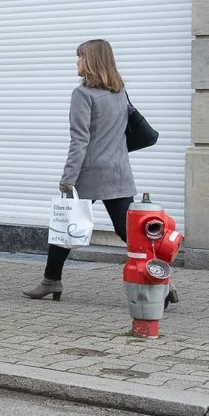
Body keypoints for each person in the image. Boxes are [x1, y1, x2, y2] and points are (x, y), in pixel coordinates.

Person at [24, 39, 145, 301]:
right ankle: (160, 284)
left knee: (65, 225)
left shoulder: (83, 94)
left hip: (89, 174)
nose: (76, 62)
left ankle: (51, 281)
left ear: (90, 61)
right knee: (131, 234)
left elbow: (79, 140)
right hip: (119, 173)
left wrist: (67, 179)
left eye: (79, 57)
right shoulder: (119, 91)